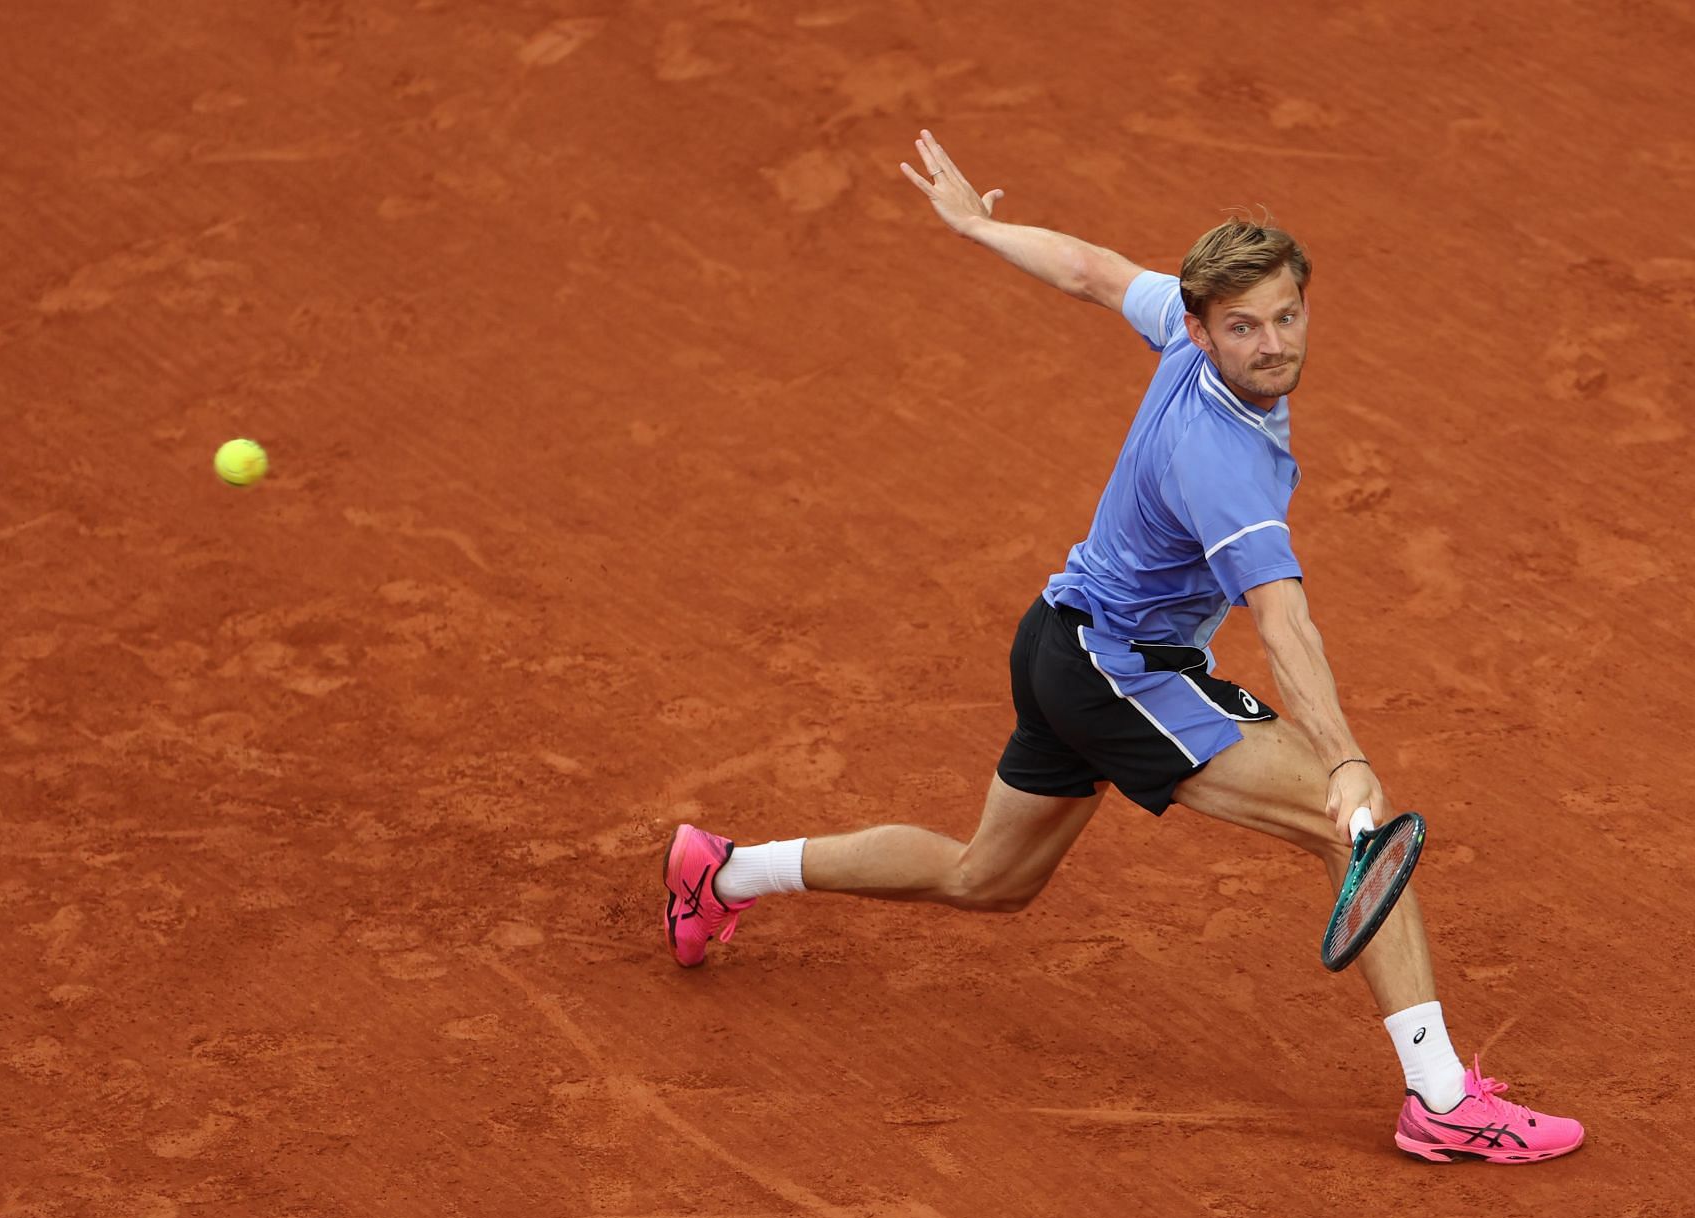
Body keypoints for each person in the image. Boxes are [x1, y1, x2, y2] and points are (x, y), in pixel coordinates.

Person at [661, 130, 1583, 1164]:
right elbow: (1284, 621)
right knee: (1354, 832)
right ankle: (1442, 1099)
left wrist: (979, 225)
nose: (1273, 342)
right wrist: (1347, 756)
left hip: (1058, 640)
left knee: (986, 878)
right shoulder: (1225, 462)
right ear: (1203, 328)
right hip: (1122, 673)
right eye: (1244, 327)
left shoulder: (1182, 339)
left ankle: (725, 872)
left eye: (1287, 315)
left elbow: (1092, 272)